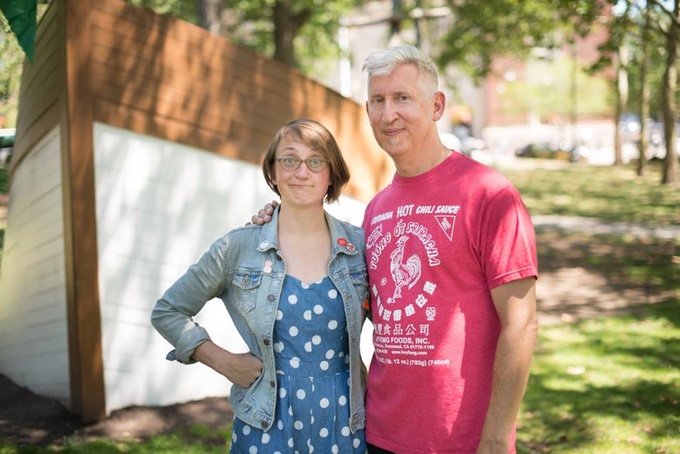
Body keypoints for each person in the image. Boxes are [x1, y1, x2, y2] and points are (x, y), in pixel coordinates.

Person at [254, 45, 538, 454]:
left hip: (463, 439)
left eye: (402, 98)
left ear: (436, 105)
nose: (389, 115)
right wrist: (278, 219)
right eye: (378, 101)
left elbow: (521, 323)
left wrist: (495, 438)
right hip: (379, 433)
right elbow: (371, 308)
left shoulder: (488, 195)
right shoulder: (377, 209)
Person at [151, 118, 369, 453]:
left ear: (331, 174)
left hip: (346, 422)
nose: (302, 172)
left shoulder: (360, 248)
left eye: (316, 161)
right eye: (289, 160)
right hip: (265, 423)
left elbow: (394, 326)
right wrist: (223, 361)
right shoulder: (239, 248)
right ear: (273, 172)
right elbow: (168, 310)